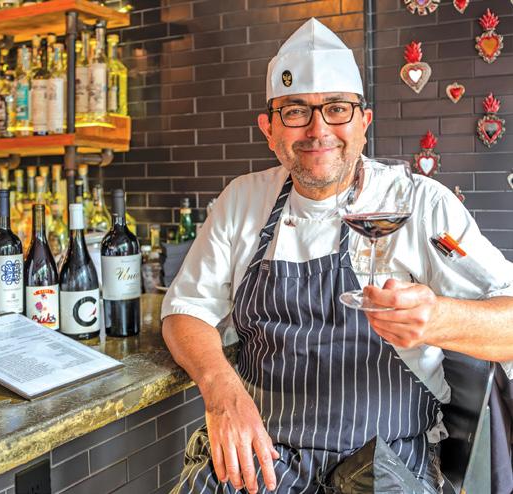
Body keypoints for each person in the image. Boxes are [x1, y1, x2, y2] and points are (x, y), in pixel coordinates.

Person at [161, 17, 513, 493]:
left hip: (387, 457)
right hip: (262, 453)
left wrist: (437, 319)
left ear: (364, 122)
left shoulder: (422, 204)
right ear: (269, 129)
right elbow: (185, 311)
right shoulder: (242, 200)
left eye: (337, 109)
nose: (318, 129)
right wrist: (221, 391)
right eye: (295, 111)